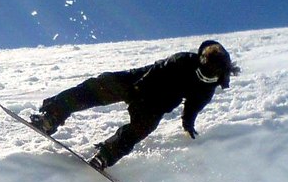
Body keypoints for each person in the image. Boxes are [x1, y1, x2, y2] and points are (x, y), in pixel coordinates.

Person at [29, 40, 240, 169]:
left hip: (156, 105)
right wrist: (138, 89)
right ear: (201, 58)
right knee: (95, 89)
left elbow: (193, 106)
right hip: (137, 82)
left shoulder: (207, 88)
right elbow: (158, 70)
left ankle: (105, 155)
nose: (204, 72)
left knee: (141, 128)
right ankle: (51, 117)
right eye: (203, 66)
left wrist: (188, 123)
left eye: (210, 71)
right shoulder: (184, 60)